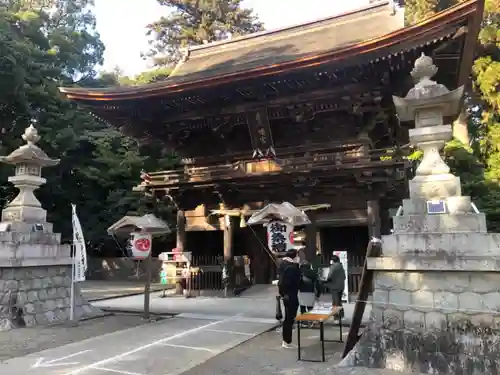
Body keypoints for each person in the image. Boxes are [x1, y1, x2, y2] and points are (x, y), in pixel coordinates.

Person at [277, 249, 301, 349]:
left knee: (289, 318)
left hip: (286, 295)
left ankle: (287, 340)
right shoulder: (291, 268)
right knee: (289, 318)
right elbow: (293, 282)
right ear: (294, 256)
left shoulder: (283, 264)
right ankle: (286, 341)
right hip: (291, 295)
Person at [326, 254, 346, 319]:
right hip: (341, 286)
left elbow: (329, 276)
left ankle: (336, 317)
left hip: (334, 287)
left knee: (335, 302)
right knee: (339, 301)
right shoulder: (341, 266)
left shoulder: (333, 266)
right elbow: (344, 277)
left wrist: (327, 281)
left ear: (332, 261)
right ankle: (341, 314)